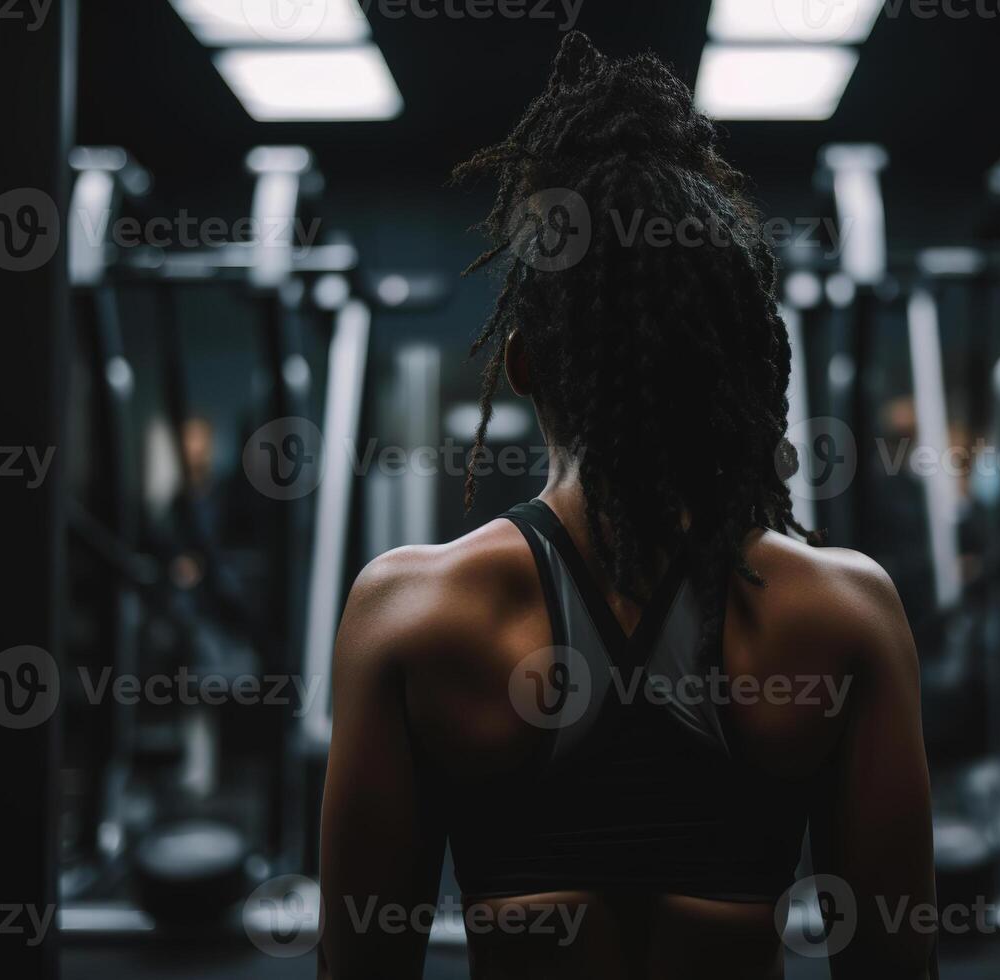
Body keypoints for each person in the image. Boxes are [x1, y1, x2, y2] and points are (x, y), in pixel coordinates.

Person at [318, 32, 936, 980]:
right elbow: (895, 968)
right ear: (733, 359)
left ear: (522, 362)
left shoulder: (411, 612)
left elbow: (358, 971)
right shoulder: (842, 612)